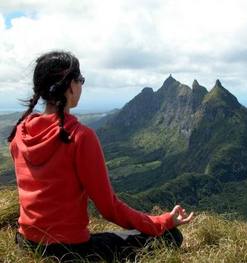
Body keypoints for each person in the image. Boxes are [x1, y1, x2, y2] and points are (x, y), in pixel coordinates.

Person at [8, 51, 194, 262]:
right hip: (69, 253)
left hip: (25, 243)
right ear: (69, 85)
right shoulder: (80, 137)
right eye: (81, 80)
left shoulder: (18, 133)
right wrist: (162, 222)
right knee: (170, 237)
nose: (82, 85)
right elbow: (109, 208)